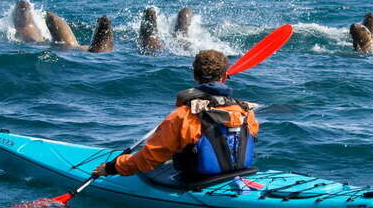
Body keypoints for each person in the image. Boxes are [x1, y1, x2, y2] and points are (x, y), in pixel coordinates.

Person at [92, 49, 259, 182]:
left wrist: (111, 168)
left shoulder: (183, 116)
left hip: (198, 180)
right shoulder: (245, 111)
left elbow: (147, 160)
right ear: (224, 77)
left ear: (195, 76)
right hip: (238, 172)